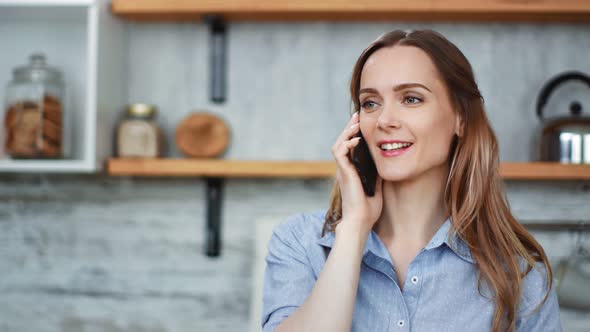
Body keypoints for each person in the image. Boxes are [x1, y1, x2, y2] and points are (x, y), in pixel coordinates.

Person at [261, 29, 561, 332]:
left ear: (461, 118)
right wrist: (353, 230)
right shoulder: (300, 243)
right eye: (370, 103)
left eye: (411, 99)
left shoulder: (519, 273)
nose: (384, 120)